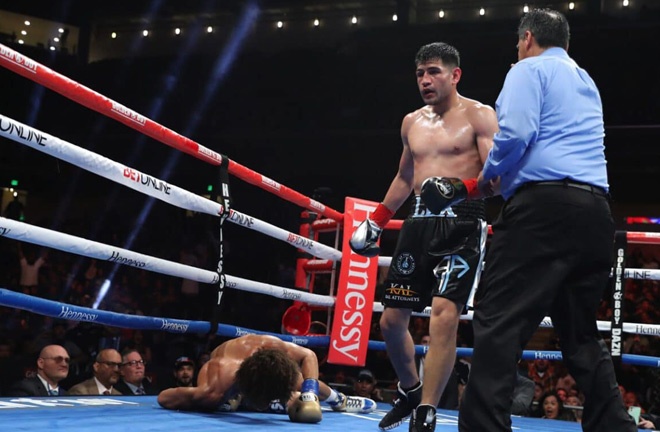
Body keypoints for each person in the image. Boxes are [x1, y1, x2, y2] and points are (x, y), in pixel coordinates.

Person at [456, 8, 638, 432]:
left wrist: (489, 177)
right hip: (596, 214)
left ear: (527, 39)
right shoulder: (584, 79)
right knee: (578, 333)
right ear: (566, 44)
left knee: (498, 319)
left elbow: (516, 132)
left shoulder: (527, 69)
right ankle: (614, 426)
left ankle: (484, 427)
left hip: (543, 213)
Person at [349, 42, 497, 432]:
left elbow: (498, 180)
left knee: (443, 319)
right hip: (418, 224)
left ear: (455, 74)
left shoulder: (480, 116)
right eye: (420, 74)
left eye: (433, 72)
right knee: (392, 321)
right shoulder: (410, 122)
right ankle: (411, 390)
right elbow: (404, 178)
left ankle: (426, 411)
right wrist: (377, 221)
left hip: (463, 223)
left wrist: (460, 187)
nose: (426, 80)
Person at [157, 334, 376, 423]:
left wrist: (309, 394)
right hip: (229, 384)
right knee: (218, 402)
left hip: (259, 375)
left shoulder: (274, 348)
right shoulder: (218, 382)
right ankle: (234, 401)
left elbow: (308, 355)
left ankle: (340, 400)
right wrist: (199, 400)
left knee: (301, 385)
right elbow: (163, 398)